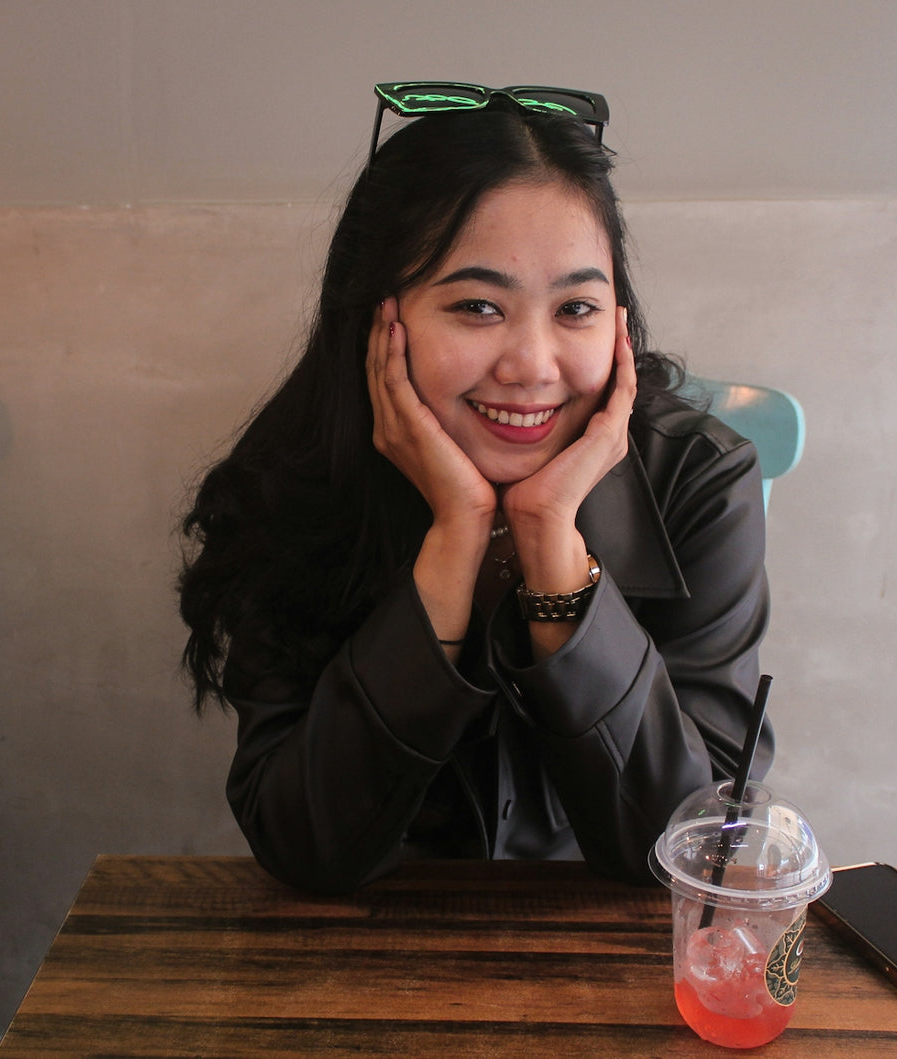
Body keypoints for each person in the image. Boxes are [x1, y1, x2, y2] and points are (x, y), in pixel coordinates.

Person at [178, 82, 772, 894]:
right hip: (365, 958)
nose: (532, 365)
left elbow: (693, 849)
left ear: (619, 324)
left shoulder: (703, 480)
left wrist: (554, 545)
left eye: (576, 308)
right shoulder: (288, 483)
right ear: (378, 319)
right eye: (478, 305)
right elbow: (306, 848)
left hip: (611, 967)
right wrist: (456, 541)